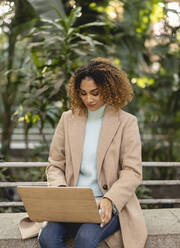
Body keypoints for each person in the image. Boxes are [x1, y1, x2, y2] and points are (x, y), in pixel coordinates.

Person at [38, 58, 147, 248]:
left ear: (108, 89)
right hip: (70, 204)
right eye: (83, 93)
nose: (89, 99)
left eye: (95, 93)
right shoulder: (67, 119)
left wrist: (109, 200)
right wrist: (61, 191)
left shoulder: (126, 122)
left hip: (107, 203)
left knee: (85, 240)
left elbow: (132, 171)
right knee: (46, 238)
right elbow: (55, 164)